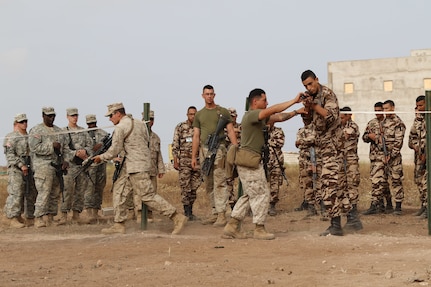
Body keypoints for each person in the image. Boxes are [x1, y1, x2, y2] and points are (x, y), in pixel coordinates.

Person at [93, 102, 187, 235]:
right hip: (133, 165)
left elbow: (115, 150)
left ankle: (176, 217)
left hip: (136, 166)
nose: (110, 119)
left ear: (118, 114)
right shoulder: (140, 123)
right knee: (119, 191)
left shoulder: (120, 127)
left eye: (111, 116)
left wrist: (100, 158)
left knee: (147, 195)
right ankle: (119, 224)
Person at [223, 88, 302, 240]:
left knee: (250, 194)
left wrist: (296, 112)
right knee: (262, 193)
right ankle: (259, 228)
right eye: (264, 100)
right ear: (255, 101)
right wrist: (293, 101)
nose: (267, 103)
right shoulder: (252, 114)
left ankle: (232, 226)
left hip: (250, 161)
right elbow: (274, 110)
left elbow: (278, 117)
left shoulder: (257, 118)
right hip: (249, 161)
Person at [299, 69, 361, 236]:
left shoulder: (327, 94)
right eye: (306, 85)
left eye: (311, 83)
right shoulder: (312, 98)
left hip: (334, 145)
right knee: (338, 184)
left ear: (317, 80)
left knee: (328, 183)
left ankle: (335, 224)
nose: (309, 87)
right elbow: (308, 122)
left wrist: (314, 106)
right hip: (323, 146)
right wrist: (306, 109)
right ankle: (352, 218)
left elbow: (332, 116)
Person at [191, 85, 238, 227]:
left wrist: (236, 147)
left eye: (211, 94)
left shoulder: (222, 111)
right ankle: (215, 212)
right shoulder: (199, 114)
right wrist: (194, 157)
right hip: (205, 150)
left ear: (214, 95)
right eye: (207, 94)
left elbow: (230, 131)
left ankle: (222, 214)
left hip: (219, 149)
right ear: (202, 96)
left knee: (219, 181)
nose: (209, 96)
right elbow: (196, 136)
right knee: (209, 183)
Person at [28, 107, 73, 228]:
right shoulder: (37, 130)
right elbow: (34, 148)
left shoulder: (59, 131)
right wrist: (51, 146)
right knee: (44, 192)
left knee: (55, 192)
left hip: (57, 166)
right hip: (43, 166)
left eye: (53, 115)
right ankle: (38, 218)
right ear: (43, 115)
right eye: (49, 115)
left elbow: (66, 150)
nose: (51, 118)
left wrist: (66, 161)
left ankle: (51, 217)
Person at [58, 108, 93, 225]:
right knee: (67, 190)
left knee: (80, 190)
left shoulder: (83, 131)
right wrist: (75, 153)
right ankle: (63, 215)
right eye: (72, 116)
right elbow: (62, 149)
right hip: (70, 165)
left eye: (76, 115)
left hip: (81, 165)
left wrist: (84, 151)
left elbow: (90, 146)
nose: (75, 118)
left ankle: (76, 214)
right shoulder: (64, 132)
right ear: (67, 117)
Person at [3, 113, 37, 228]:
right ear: (16, 123)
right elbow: (10, 154)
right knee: (16, 192)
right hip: (16, 169)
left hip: (29, 167)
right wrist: (20, 164)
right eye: (22, 122)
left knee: (30, 193)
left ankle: (25, 216)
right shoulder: (11, 137)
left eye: (25, 121)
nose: (24, 124)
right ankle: (13, 217)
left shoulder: (29, 136)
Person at [362, 102, 393, 214]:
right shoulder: (372, 123)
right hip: (374, 156)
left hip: (385, 156)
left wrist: (377, 138)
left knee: (378, 180)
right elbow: (364, 137)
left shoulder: (388, 123)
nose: (378, 113)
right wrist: (370, 137)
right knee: (382, 181)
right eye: (376, 111)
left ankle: (374, 204)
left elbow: (389, 139)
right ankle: (386, 203)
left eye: (380, 111)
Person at [172, 106, 201, 220]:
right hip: (184, 162)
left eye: (194, 114)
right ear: (187, 115)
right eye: (191, 114)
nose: (192, 116)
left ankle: (191, 210)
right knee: (185, 187)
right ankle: (186, 212)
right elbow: (175, 144)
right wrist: (175, 160)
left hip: (197, 162)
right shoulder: (180, 127)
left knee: (194, 187)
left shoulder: (200, 128)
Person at [381, 100, 406, 215]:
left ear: (393, 108)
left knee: (396, 180)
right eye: (384, 109)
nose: (385, 111)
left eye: (387, 108)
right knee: (384, 180)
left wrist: (391, 156)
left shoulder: (398, 123)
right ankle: (389, 204)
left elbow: (398, 142)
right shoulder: (383, 122)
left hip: (394, 157)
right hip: (384, 156)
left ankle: (398, 206)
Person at [339, 106, 362, 231]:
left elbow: (344, 136)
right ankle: (349, 217)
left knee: (352, 187)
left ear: (348, 116)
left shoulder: (352, 126)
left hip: (351, 161)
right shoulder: (339, 127)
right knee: (342, 188)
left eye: (342, 117)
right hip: (341, 161)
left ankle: (354, 217)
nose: (340, 120)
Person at [83, 114, 109, 223]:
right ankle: (88, 212)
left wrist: (102, 147)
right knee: (89, 188)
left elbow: (109, 147)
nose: (91, 125)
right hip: (90, 165)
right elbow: (82, 148)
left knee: (99, 187)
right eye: (89, 124)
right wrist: (92, 150)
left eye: (93, 123)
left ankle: (96, 211)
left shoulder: (103, 134)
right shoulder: (83, 135)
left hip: (101, 163)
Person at [408, 96, 427, 218]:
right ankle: (424, 206)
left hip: (427, 156)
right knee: (419, 181)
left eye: (421, 105)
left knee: (427, 182)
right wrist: (417, 148)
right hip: (419, 157)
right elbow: (411, 138)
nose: (419, 108)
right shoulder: (417, 120)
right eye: (417, 106)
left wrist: (426, 153)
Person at [294, 124, 317, 217]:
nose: (304, 119)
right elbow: (296, 144)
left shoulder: (316, 129)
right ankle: (306, 201)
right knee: (304, 181)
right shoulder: (301, 130)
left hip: (313, 158)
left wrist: (302, 141)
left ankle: (312, 205)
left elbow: (314, 140)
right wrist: (303, 142)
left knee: (313, 181)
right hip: (303, 159)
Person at [267, 122, 285, 216]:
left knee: (275, 183)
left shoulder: (278, 131)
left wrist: (267, 141)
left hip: (276, 161)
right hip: (263, 160)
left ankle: (272, 204)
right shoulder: (260, 130)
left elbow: (280, 142)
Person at [225, 107, 241, 209]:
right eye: (229, 117)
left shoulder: (242, 127)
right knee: (228, 182)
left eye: (233, 116)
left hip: (240, 158)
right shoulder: (223, 128)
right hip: (229, 160)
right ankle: (232, 204)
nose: (232, 119)